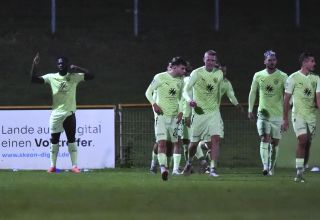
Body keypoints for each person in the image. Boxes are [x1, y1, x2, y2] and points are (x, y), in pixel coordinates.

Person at [30, 52, 94, 173]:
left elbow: (91, 75)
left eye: (62, 63)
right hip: (56, 114)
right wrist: (34, 64)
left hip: (69, 113)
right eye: (58, 63)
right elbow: (33, 79)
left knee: (71, 140)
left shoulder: (74, 77)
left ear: (66, 64)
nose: (60, 65)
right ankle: (53, 166)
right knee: (54, 140)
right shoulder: (51, 77)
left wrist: (78, 68)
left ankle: (74, 166)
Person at [182, 50, 224, 177]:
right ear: (204, 59)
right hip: (199, 114)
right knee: (193, 144)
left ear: (215, 62)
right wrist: (190, 101)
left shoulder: (219, 74)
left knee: (215, 139)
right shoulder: (197, 73)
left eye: (212, 60)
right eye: (208, 60)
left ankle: (213, 169)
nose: (210, 62)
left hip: (213, 112)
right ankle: (189, 162)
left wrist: (218, 109)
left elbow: (218, 94)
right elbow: (185, 90)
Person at [145, 57, 187, 181]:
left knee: (176, 141)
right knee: (161, 143)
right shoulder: (159, 77)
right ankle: (163, 168)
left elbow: (180, 99)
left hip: (174, 117)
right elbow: (148, 92)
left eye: (185, 69)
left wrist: (181, 112)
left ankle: (175, 169)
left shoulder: (181, 81)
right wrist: (154, 104)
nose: (184, 71)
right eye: (182, 68)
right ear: (174, 67)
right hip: (161, 116)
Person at [248, 50, 288, 176]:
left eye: (274, 60)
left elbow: (288, 95)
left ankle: (271, 167)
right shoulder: (258, 75)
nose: (272, 62)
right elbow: (253, 92)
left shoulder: (283, 76)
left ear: (276, 61)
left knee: (275, 143)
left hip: (278, 115)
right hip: (263, 113)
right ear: (265, 61)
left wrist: (288, 110)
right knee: (264, 138)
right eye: (269, 60)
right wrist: (250, 109)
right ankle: (265, 166)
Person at [283, 52, 320, 182]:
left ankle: (303, 166)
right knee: (302, 140)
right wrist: (285, 118)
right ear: (304, 62)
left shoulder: (316, 79)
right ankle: (299, 172)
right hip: (297, 114)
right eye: (312, 61)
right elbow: (286, 99)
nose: (314, 63)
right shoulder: (293, 78)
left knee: (308, 143)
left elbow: (318, 99)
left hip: (311, 115)